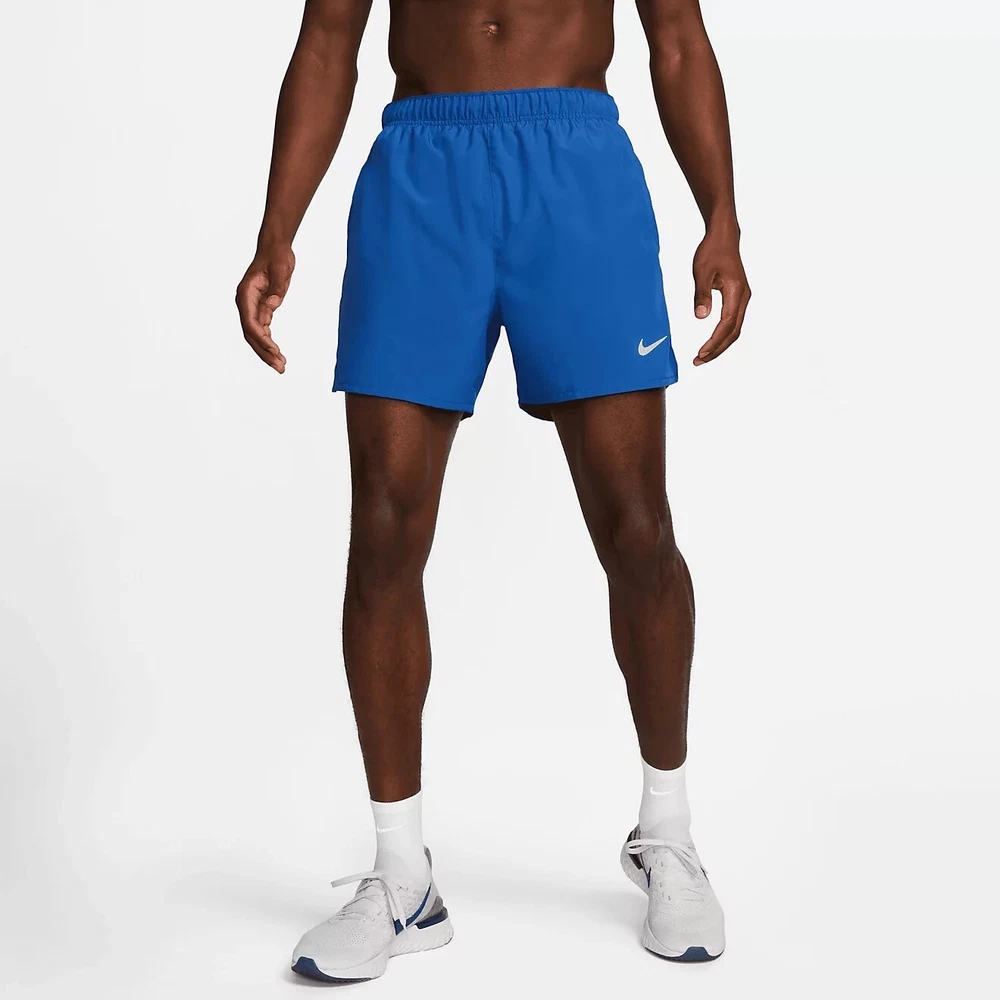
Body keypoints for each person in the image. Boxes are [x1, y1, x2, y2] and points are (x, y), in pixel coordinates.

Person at [236, 0, 750, 982]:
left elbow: (677, 37)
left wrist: (719, 214)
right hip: (421, 177)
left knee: (636, 526)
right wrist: (277, 229)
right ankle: (401, 877)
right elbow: (328, 41)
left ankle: (668, 833)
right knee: (383, 528)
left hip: (577, 165)